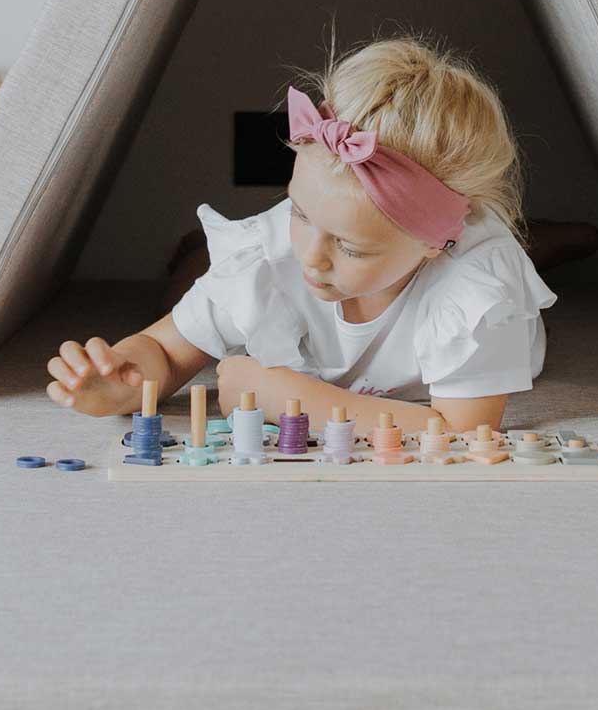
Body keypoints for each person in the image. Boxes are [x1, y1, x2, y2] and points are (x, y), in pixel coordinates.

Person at [46, 36, 555, 438]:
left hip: (475, 274)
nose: (311, 257)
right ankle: (196, 248)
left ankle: (549, 241)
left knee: (511, 249)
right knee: (201, 279)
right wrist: (120, 383)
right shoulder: (278, 250)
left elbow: (462, 433)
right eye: (301, 211)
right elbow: (167, 350)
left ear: (433, 241)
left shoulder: (477, 289)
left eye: (350, 246)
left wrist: (278, 393)